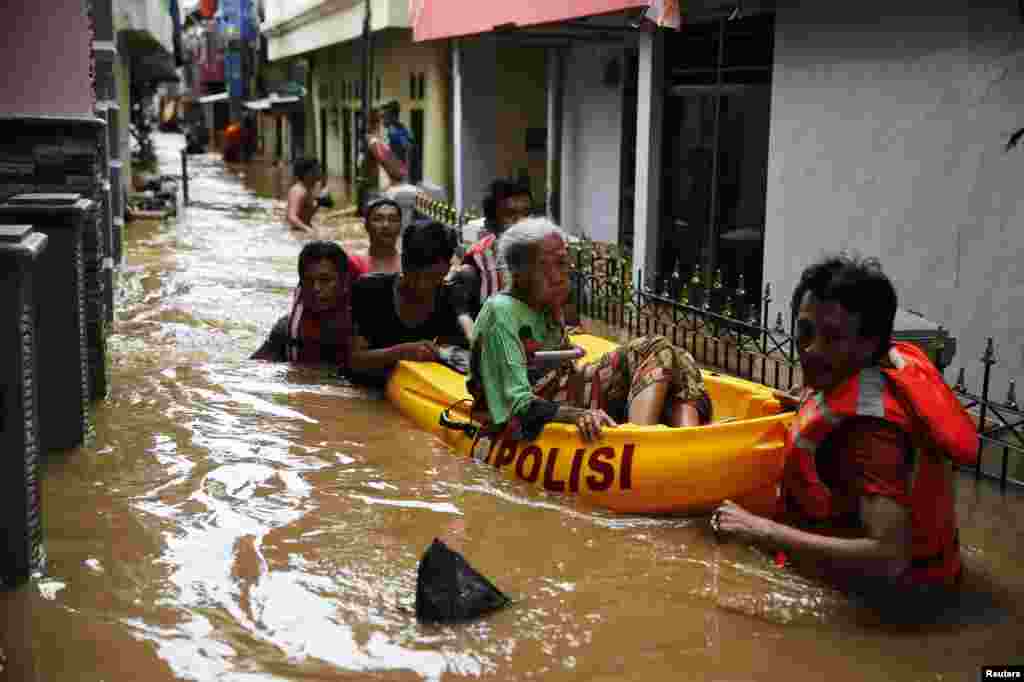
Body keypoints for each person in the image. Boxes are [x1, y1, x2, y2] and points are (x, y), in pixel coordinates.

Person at [710, 254, 978, 591]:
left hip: (891, 608)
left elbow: (888, 556)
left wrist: (759, 530)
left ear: (869, 343)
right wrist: (809, 403)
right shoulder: (882, 367)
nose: (811, 350)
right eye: (805, 331)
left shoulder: (870, 435)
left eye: (832, 338)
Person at [468, 218, 711, 444]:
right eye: (555, 264)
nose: (563, 275)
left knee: (679, 357)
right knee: (654, 347)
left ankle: (690, 441)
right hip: (522, 415)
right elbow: (516, 404)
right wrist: (575, 414)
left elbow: (566, 372)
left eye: (565, 263)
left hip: (555, 395)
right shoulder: (501, 312)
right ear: (520, 273)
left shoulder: (545, 304)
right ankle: (637, 444)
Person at [349, 221, 472, 384]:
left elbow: (460, 347)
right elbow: (354, 361)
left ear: (447, 269)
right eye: (413, 275)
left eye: (431, 277)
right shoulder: (370, 290)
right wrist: (401, 352)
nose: (421, 285)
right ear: (403, 262)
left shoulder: (451, 296)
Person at [251, 240, 354, 367]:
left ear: (344, 281)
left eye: (325, 280)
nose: (316, 288)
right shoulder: (286, 329)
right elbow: (254, 368)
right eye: (309, 280)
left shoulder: (362, 328)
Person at [453, 178, 534, 320]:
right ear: (491, 224)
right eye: (511, 215)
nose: (522, 222)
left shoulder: (545, 255)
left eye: (526, 214)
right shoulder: (477, 262)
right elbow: (463, 314)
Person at [348, 197, 402, 277]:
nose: (386, 225)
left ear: (400, 226)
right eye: (378, 219)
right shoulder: (354, 263)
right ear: (366, 226)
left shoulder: (409, 263)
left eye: (393, 219)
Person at [366, 109, 408, 193]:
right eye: (383, 121)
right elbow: (386, 160)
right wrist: (399, 172)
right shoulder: (374, 142)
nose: (385, 125)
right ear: (378, 124)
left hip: (386, 186)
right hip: (383, 188)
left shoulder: (377, 140)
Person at [286, 158, 325, 234]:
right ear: (307, 173)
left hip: (303, 229)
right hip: (296, 232)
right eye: (317, 169)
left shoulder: (310, 188)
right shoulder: (298, 191)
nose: (320, 172)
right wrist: (308, 230)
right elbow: (291, 217)